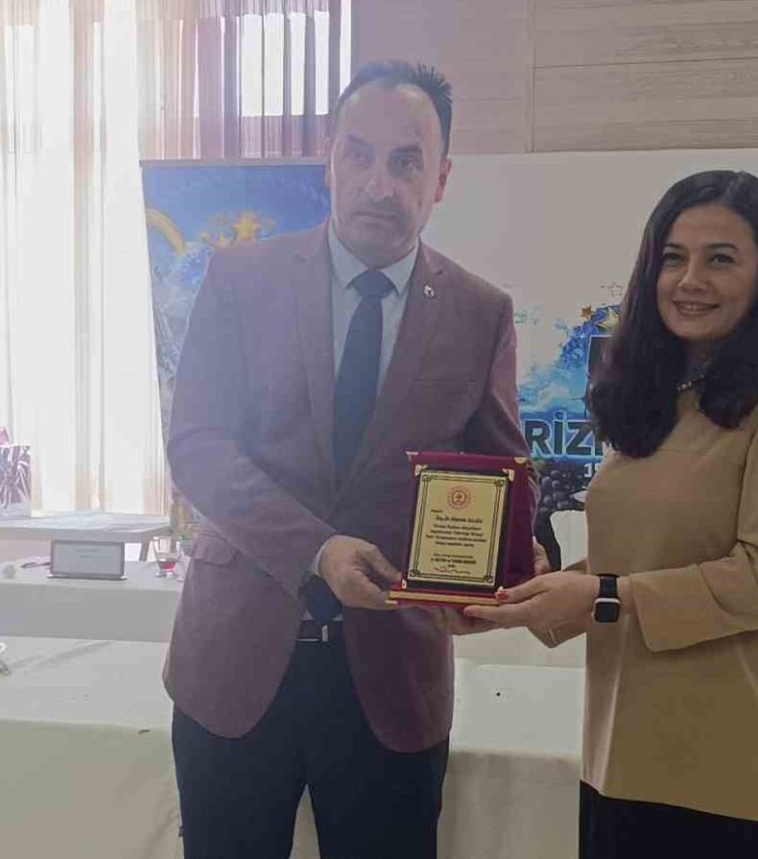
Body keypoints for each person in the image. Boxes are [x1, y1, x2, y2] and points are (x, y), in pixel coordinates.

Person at [164, 61, 527, 859]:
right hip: (234, 666)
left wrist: (513, 563)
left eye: (407, 162)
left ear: (442, 179)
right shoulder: (242, 279)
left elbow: (499, 473)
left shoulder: (480, 313)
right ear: (328, 159)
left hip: (393, 680)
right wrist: (318, 550)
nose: (378, 185)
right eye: (358, 154)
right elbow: (197, 446)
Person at [469, 170, 758, 859]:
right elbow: (636, 566)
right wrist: (530, 594)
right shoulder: (660, 400)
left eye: (721, 259)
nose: (690, 280)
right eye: (673, 258)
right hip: (625, 753)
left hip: (741, 770)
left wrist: (600, 595)